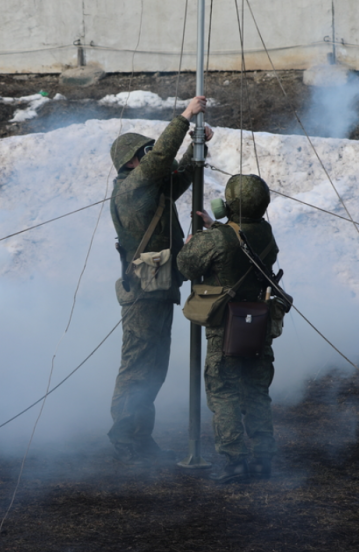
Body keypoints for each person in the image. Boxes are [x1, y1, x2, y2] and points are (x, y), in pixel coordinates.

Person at [108, 96, 214, 464]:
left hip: (159, 288)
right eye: (146, 152)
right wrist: (185, 118)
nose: (152, 155)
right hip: (143, 293)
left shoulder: (149, 188)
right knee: (138, 367)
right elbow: (158, 163)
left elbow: (177, 179)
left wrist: (195, 152)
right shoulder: (130, 189)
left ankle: (139, 437)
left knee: (153, 369)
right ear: (131, 162)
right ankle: (126, 439)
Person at [176, 174, 280, 483]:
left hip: (226, 326)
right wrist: (216, 228)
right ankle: (263, 460)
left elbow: (186, 265)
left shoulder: (217, 239)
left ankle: (235, 462)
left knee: (224, 393)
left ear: (229, 205)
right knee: (257, 392)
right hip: (258, 322)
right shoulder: (265, 232)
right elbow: (238, 239)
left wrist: (195, 241)